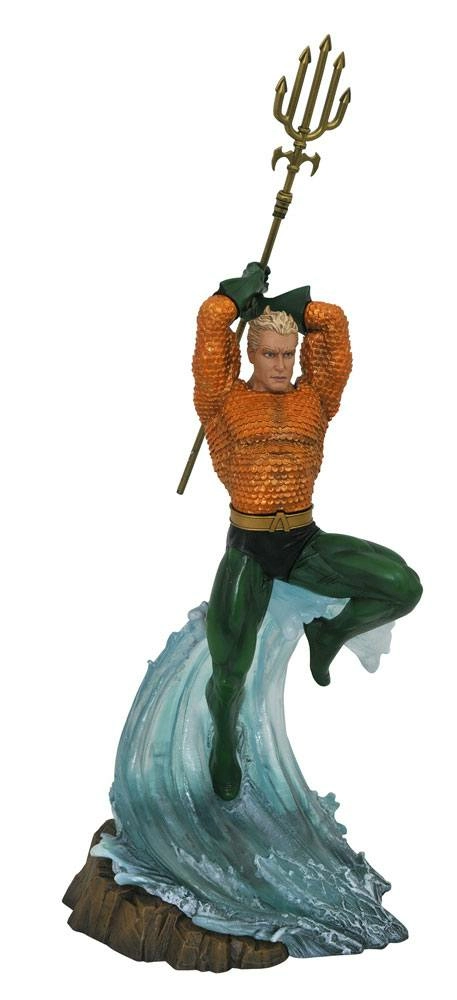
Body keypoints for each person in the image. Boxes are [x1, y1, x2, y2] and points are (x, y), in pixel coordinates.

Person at [193, 263, 422, 801]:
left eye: (288, 354)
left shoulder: (314, 400)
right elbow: (209, 325)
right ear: (251, 354)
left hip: (304, 543)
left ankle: (330, 634)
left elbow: (334, 327)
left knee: (403, 586)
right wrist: (237, 298)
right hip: (249, 550)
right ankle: (223, 737)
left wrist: (293, 308)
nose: (280, 364)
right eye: (270, 354)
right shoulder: (222, 401)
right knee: (229, 668)